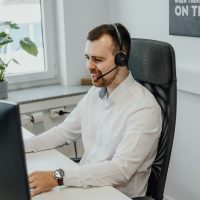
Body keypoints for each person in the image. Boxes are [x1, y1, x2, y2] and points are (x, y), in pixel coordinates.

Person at [24, 23, 162, 198]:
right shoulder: (95, 92)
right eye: (87, 57)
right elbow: (64, 132)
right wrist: (23, 147)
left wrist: (57, 176)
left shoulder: (144, 108)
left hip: (114, 194)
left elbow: (121, 170)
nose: (89, 66)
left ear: (121, 59)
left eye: (97, 60)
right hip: (85, 186)